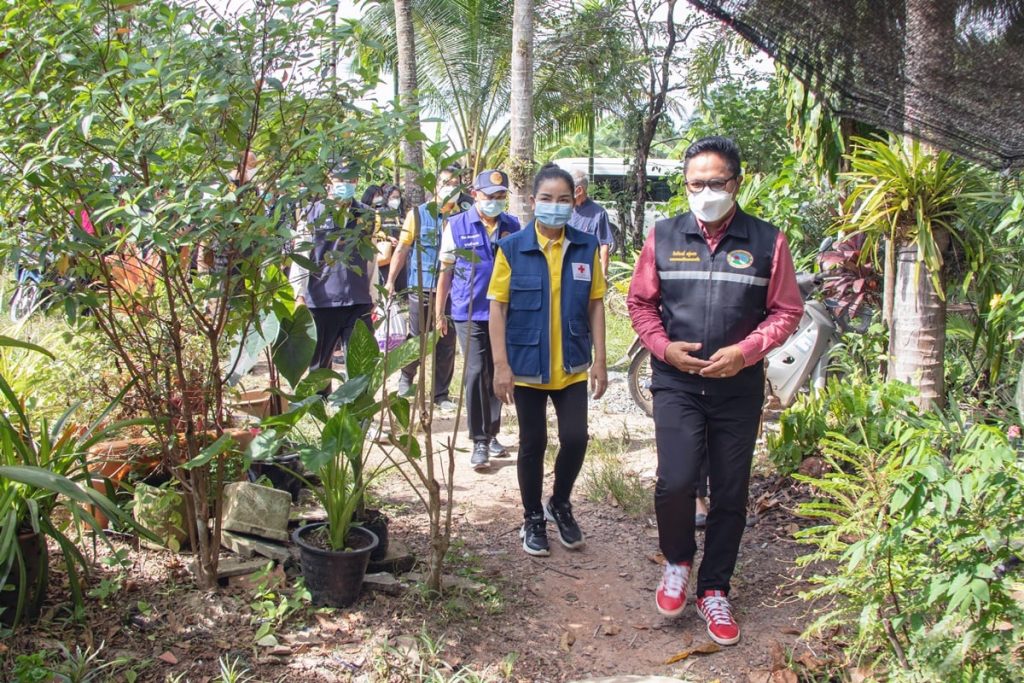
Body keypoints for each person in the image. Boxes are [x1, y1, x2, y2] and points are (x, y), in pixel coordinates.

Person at [627, 136, 802, 646]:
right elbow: (640, 303)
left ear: (737, 183)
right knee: (675, 481)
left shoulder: (768, 241)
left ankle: (714, 588)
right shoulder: (663, 236)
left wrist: (745, 352)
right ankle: (677, 561)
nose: (705, 192)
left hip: (738, 387)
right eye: (695, 184)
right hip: (677, 382)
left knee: (730, 491)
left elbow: (786, 310)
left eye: (716, 183)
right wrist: (663, 348)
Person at [489, 164, 608, 556]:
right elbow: (497, 309)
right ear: (532, 201)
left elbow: (595, 303)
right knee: (533, 443)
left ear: (574, 202)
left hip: (571, 365)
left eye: (562, 199)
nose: (554, 206)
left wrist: (600, 360)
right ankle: (532, 517)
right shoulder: (511, 248)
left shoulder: (586, 247)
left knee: (576, 438)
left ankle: (559, 502)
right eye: (546, 198)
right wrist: (501, 366)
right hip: (526, 367)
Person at [435, 169, 521, 470]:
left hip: (504, 311)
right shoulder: (457, 225)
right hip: (468, 311)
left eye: (501, 196)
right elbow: (445, 272)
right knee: (475, 371)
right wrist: (440, 312)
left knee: (498, 370)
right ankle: (479, 440)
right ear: (474, 195)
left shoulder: (513, 225)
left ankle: (492, 432)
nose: (495, 201)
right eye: (489, 196)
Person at [290, 162, 376, 396]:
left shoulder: (366, 214)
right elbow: (301, 254)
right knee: (318, 365)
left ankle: (356, 410)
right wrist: (299, 295)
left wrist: (373, 294)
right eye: (340, 180)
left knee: (361, 363)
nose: (345, 185)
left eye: (350, 180)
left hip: (358, 299)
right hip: (321, 299)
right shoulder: (313, 213)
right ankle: (319, 406)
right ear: (329, 180)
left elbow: (371, 256)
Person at [384, 167, 463, 411]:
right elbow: (402, 249)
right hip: (423, 286)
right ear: (436, 185)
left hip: (454, 288)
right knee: (419, 337)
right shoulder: (417, 215)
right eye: (446, 183)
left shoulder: (463, 215)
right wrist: (390, 280)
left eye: (455, 184)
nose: (451, 188)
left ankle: (440, 394)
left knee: (447, 340)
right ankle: (406, 377)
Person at [568, 169, 614, 276]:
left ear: (579, 190)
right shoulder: (564, 210)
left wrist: (604, 275)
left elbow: (604, 245)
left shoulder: (598, 214)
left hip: (585, 270)